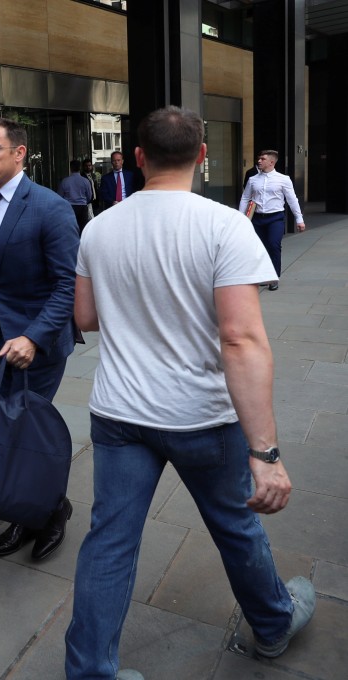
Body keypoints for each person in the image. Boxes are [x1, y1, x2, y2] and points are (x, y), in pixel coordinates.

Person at [66, 106, 314, 680]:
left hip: (120, 412)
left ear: (138, 158)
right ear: (202, 156)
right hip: (201, 415)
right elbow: (242, 338)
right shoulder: (223, 225)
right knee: (235, 524)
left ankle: (89, 670)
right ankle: (274, 624)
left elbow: (85, 315)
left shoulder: (99, 226)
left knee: (109, 542)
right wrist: (266, 452)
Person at [0, 117, 80, 562]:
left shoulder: (50, 207)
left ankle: (47, 512)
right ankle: (34, 507)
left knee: (27, 431)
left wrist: (33, 338)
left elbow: (67, 285)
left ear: (19, 154)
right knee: (7, 428)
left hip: (40, 345)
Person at [239, 149, 306, 290]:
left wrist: (299, 219)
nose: (259, 161)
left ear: (271, 162)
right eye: (259, 158)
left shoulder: (283, 179)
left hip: (275, 218)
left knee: (274, 245)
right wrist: (241, 217)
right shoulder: (253, 180)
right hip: (257, 218)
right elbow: (245, 198)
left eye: (262, 159)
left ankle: (274, 277)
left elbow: (292, 199)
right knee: (260, 248)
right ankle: (263, 276)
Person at [59, 160, 94, 232]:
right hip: (82, 207)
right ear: (80, 168)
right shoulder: (85, 181)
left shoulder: (65, 181)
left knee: (71, 229)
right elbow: (89, 196)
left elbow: (60, 196)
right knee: (83, 230)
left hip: (70, 207)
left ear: (70, 168)